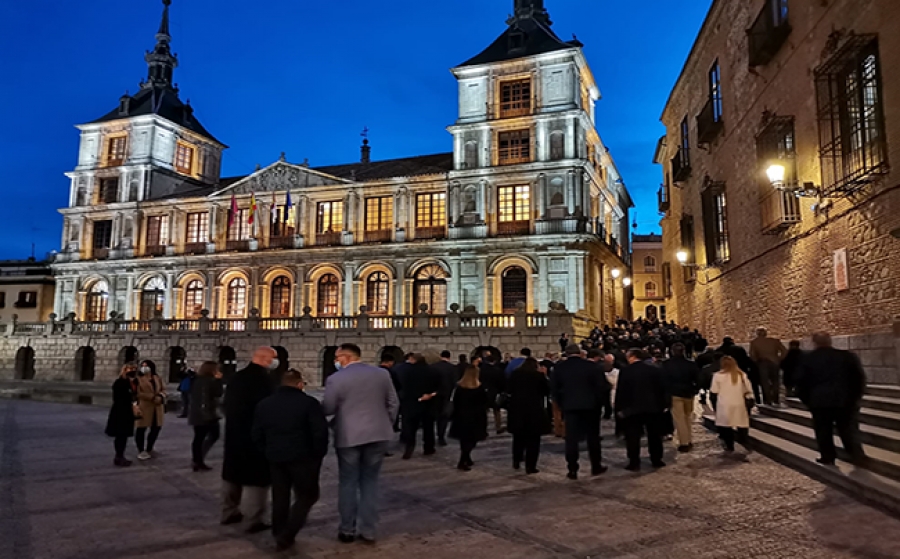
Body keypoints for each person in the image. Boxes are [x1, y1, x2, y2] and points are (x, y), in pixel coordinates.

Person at [323, 343, 399, 544]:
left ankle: (347, 529)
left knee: (348, 482)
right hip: (378, 435)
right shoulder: (382, 374)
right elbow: (393, 403)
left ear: (346, 357)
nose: (336, 361)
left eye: (338, 357)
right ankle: (369, 530)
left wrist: (334, 423)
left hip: (348, 436)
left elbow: (328, 408)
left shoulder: (335, 379)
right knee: (370, 482)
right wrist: (385, 423)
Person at [253, 369, 328, 552]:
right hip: (303, 458)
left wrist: (267, 451)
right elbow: (319, 433)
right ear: (299, 384)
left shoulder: (265, 404)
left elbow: (256, 433)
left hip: (275, 457)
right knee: (307, 495)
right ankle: (288, 533)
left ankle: (278, 532)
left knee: (280, 496)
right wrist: (318, 455)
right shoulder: (309, 403)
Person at [221, 347, 277, 533]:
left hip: (234, 432)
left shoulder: (237, 377)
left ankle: (229, 511)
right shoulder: (264, 380)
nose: (275, 362)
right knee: (257, 478)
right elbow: (267, 408)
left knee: (232, 474)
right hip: (255, 434)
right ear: (264, 359)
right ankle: (254, 519)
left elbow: (225, 404)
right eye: (273, 358)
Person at [796, 332, 867, 466]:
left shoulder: (808, 359)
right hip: (845, 400)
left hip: (819, 401)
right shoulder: (847, 356)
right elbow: (859, 379)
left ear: (814, 342)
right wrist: (855, 398)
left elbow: (801, 383)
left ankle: (828, 456)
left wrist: (808, 401)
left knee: (823, 430)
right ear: (830, 341)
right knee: (848, 429)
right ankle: (857, 456)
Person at [551, 344, 610, 480]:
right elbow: (602, 387)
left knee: (571, 439)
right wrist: (598, 404)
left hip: (570, 407)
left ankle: (572, 469)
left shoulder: (559, 368)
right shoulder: (591, 366)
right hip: (591, 407)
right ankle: (596, 466)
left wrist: (562, 404)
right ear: (580, 353)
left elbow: (554, 389)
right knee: (593, 438)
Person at [616, 349, 667, 471]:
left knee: (633, 437)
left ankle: (634, 462)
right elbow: (662, 389)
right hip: (653, 408)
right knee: (654, 436)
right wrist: (663, 405)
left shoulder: (626, 371)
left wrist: (620, 409)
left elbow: (621, 392)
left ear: (632, 357)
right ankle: (656, 459)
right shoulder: (655, 369)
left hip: (632, 409)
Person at [506, 357, 550, 474]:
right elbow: (546, 391)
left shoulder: (515, 374)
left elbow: (509, 389)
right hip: (533, 410)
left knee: (518, 437)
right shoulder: (538, 376)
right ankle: (530, 466)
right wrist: (545, 376)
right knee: (533, 439)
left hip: (517, 409)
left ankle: (516, 460)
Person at [398, 354, 441, 459]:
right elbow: (438, 386)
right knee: (428, 427)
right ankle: (428, 447)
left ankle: (409, 449)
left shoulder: (408, 372)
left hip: (412, 402)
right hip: (428, 403)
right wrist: (429, 395)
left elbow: (404, 387)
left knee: (411, 428)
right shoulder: (433, 371)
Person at [448, 365, 490, 471]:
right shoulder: (480, 388)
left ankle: (466, 457)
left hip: (461, 416)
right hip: (476, 416)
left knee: (464, 439)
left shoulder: (459, 387)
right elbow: (484, 402)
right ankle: (463, 460)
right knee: (472, 439)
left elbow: (456, 402)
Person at [710, 356, 754, 453]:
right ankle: (745, 441)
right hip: (739, 402)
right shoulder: (741, 375)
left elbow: (714, 390)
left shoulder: (718, 376)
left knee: (726, 426)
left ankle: (730, 445)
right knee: (741, 424)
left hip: (725, 404)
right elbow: (748, 388)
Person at [662, 343, 700, 452]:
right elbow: (698, 378)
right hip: (688, 393)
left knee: (679, 419)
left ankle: (684, 442)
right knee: (687, 416)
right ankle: (688, 439)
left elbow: (664, 381)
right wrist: (695, 390)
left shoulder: (667, 365)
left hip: (675, 394)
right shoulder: (690, 364)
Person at [189, 361, 224, 472]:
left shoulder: (197, 380)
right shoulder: (209, 381)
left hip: (198, 413)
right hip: (206, 414)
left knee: (199, 437)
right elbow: (217, 393)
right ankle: (198, 460)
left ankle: (197, 459)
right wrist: (219, 380)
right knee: (211, 435)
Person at [106, 363, 138, 467]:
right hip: (120, 412)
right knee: (120, 435)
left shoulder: (132, 382)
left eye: (134, 369)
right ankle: (118, 456)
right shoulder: (120, 382)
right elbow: (118, 397)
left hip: (127, 412)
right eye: (130, 369)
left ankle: (120, 456)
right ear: (124, 370)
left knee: (124, 436)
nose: (133, 371)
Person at [135, 360, 166, 461]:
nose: (144, 367)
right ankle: (141, 450)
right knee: (141, 428)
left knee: (156, 428)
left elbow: (163, 389)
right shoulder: (138, 379)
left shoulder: (157, 378)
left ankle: (149, 448)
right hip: (144, 406)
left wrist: (161, 396)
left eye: (146, 366)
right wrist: (152, 397)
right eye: (142, 366)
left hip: (157, 407)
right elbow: (138, 393)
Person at [749, 328, 787, 406]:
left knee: (764, 382)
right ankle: (776, 399)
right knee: (775, 381)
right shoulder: (774, 341)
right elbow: (784, 351)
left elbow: (752, 355)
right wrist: (779, 359)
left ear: (757, 334)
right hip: (775, 363)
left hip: (762, 363)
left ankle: (768, 400)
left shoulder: (754, 342)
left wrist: (757, 362)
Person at [432, 351, 459, 447]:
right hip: (446, 395)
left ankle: (430, 437)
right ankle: (441, 437)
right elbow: (455, 382)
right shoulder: (452, 368)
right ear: (449, 357)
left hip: (434, 395)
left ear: (441, 356)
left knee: (433, 417)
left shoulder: (433, 367)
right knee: (443, 417)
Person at [479, 353, 507, 435]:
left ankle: (483, 428)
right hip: (495, 392)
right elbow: (502, 382)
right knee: (496, 411)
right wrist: (502, 391)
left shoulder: (482, 370)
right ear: (494, 361)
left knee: (484, 411)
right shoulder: (498, 370)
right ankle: (498, 427)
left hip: (484, 392)